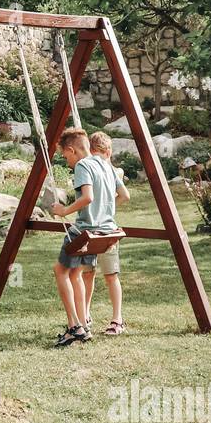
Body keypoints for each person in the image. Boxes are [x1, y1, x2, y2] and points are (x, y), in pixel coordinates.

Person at [46, 128, 97, 347]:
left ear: (72, 150)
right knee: (75, 273)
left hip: (83, 231)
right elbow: (122, 195)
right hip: (101, 231)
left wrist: (63, 211)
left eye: (66, 157)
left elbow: (87, 197)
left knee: (60, 271)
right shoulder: (101, 164)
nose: (67, 162)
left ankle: (74, 326)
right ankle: (83, 324)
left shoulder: (83, 166)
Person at [84, 131, 130, 335]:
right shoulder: (110, 169)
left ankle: (85, 315)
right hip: (108, 230)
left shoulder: (87, 166)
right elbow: (125, 195)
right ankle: (117, 319)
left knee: (87, 274)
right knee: (111, 276)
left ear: (90, 150)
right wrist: (110, 208)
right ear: (108, 151)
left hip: (89, 229)